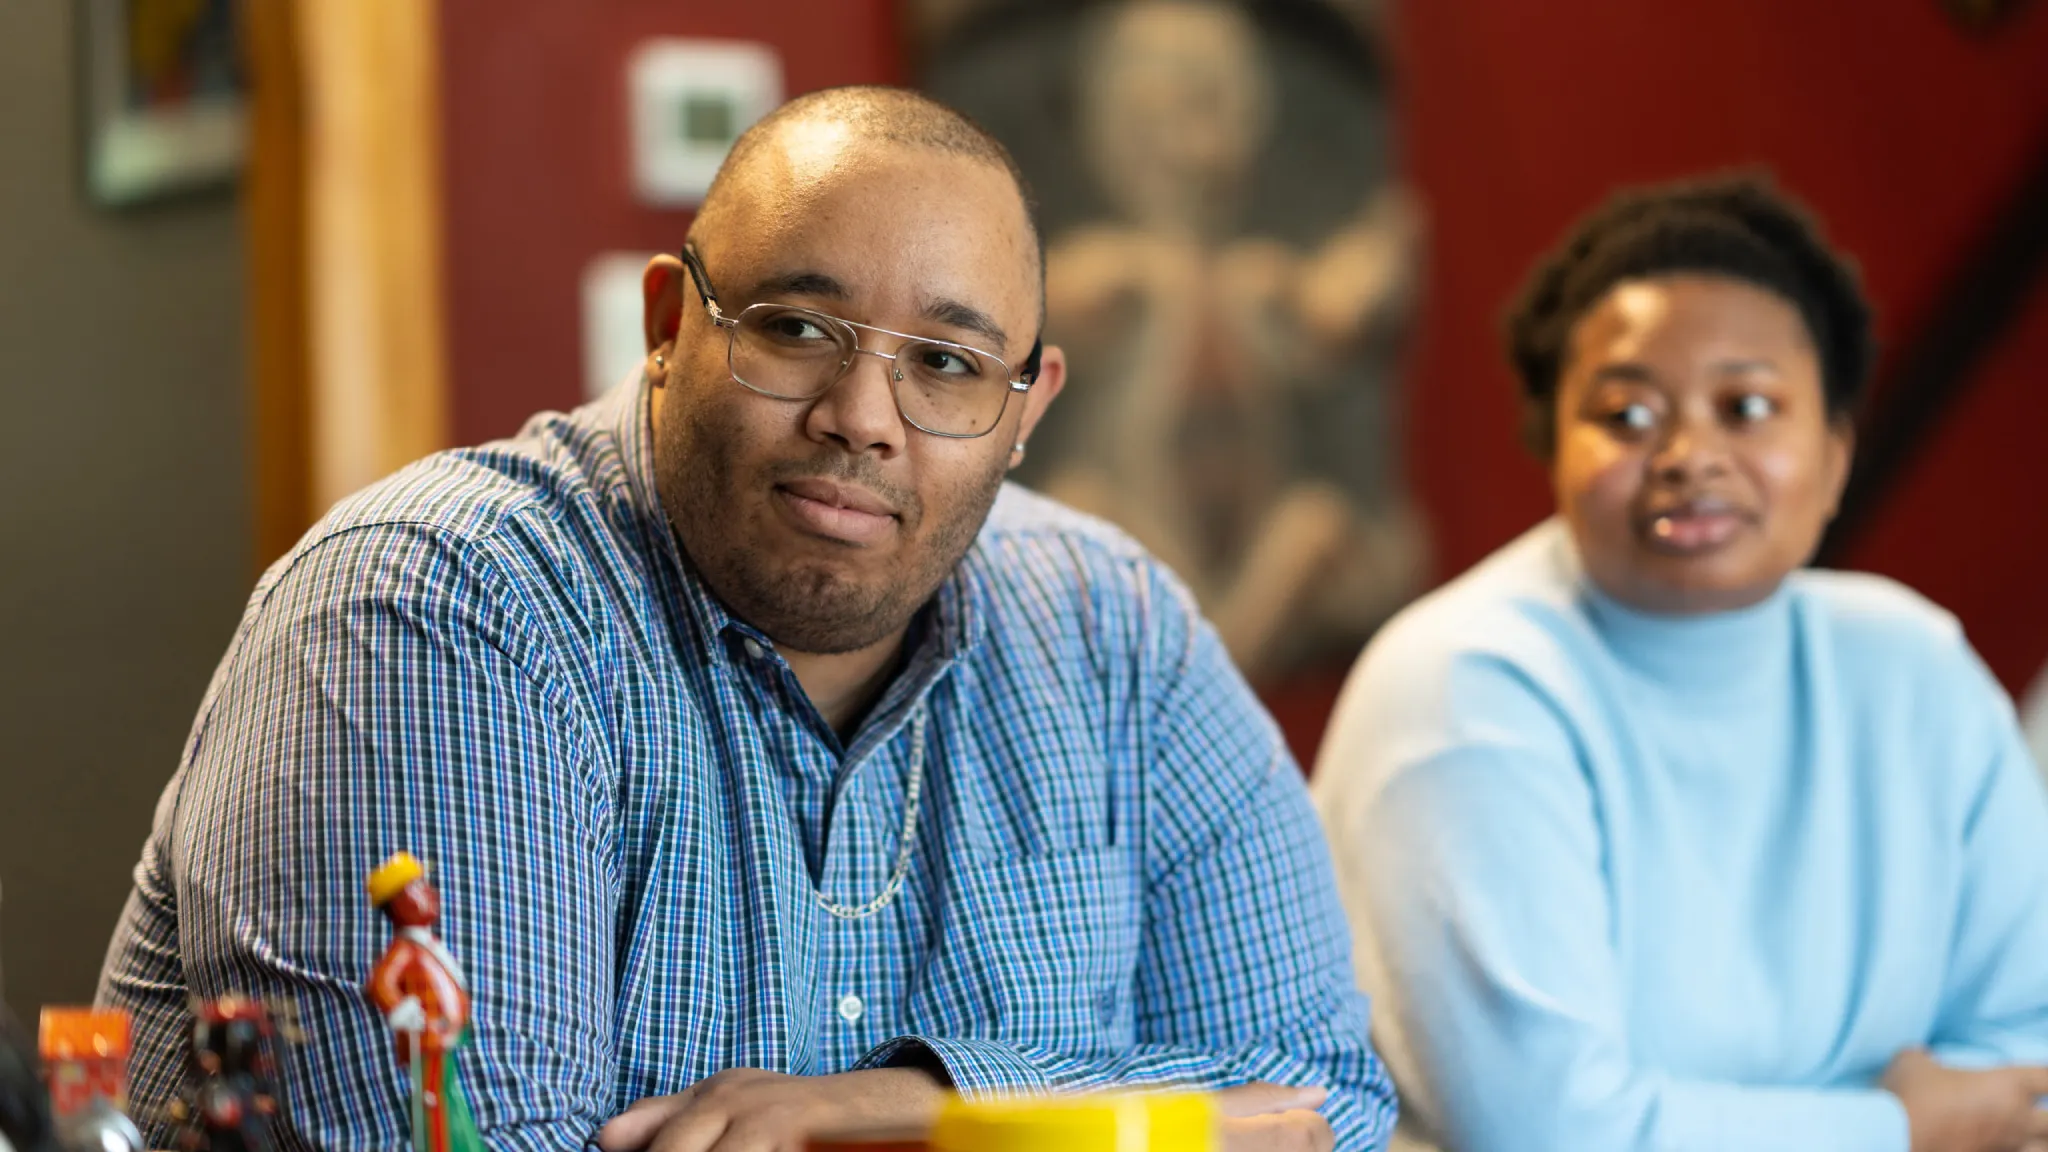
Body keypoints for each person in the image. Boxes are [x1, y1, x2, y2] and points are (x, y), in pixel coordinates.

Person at [97, 87, 1394, 1152]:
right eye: (796, 329)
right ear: (670, 326)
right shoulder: (444, 610)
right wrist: (1127, 1121)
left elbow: (1314, 1098)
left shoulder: (1118, 633)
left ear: (1026, 407)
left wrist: (912, 1110)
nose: (862, 416)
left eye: (945, 362)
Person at [1312, 174, 2048, 1152]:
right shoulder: (1461, 684)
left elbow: (2018, 1071)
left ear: (1832, 454)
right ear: (1550, 447)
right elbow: (1544, 1129)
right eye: (1624, 415)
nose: (1688, 454)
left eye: (1746, 406)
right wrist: (1893, 1126)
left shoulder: (1912, 668)